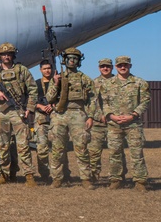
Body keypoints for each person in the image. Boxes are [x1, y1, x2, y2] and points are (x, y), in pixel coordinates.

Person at [0, 42, 38, 185]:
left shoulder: (22, 70)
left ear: (13, 55)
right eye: (3, 54)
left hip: (18, 111)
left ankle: (29, 175)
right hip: (1, 113)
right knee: (2, 146)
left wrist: (30, 108)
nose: (6, 56)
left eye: (9, 54)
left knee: (23, 145)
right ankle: (4, 175)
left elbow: (33, 90)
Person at [46, 47, 97, 188]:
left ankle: (86, 179)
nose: (72, 60)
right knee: (57, 148)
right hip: (59, 114)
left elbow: (92, 100)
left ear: (79, 61)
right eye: (69, 58)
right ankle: (57, 178)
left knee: (81, 147)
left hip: (78, 114)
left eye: (75, 58)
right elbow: (49, 98)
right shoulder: (57, 77)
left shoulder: (85, 79)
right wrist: (56, 83)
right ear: (65, 60)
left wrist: (90, 116)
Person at [102, 56, 150, 191]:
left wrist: (133, 115)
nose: (123, 67)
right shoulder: (107, 84)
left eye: (126, 65)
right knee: (114, 153)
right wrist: (111, 116)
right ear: (116, 67)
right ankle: (116, 179)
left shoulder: (140, 82)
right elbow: (103, 103)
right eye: (120, 65)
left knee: (136, 153)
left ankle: (140, 182)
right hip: (114, 124)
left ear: (130, 66)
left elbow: (145, 101)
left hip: (133, 124)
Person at [87, 58, 114, 180]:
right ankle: (94, 174)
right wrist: (93, 117)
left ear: (112, 67)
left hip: (114, 122)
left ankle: (116, 176)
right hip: (98, 122)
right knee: (94, 151)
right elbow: (91, 102)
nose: (105, 68)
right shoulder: (94, 83)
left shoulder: (117, 81)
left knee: (115, 151)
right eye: (102, 66)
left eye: (107, 66)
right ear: (99, 68)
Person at [33, 60, 55, 180]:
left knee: (58, 147)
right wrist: (40, 106)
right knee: (41, 148)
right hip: (40, 118)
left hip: (55, 117)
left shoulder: (57, 83)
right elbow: (30, 100)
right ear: (40, 70)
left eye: (49, 68)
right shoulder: (36, 84)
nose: (47, 71)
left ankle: (61, 174)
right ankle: (44, 174)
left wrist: (53, 106)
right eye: (45, 68)